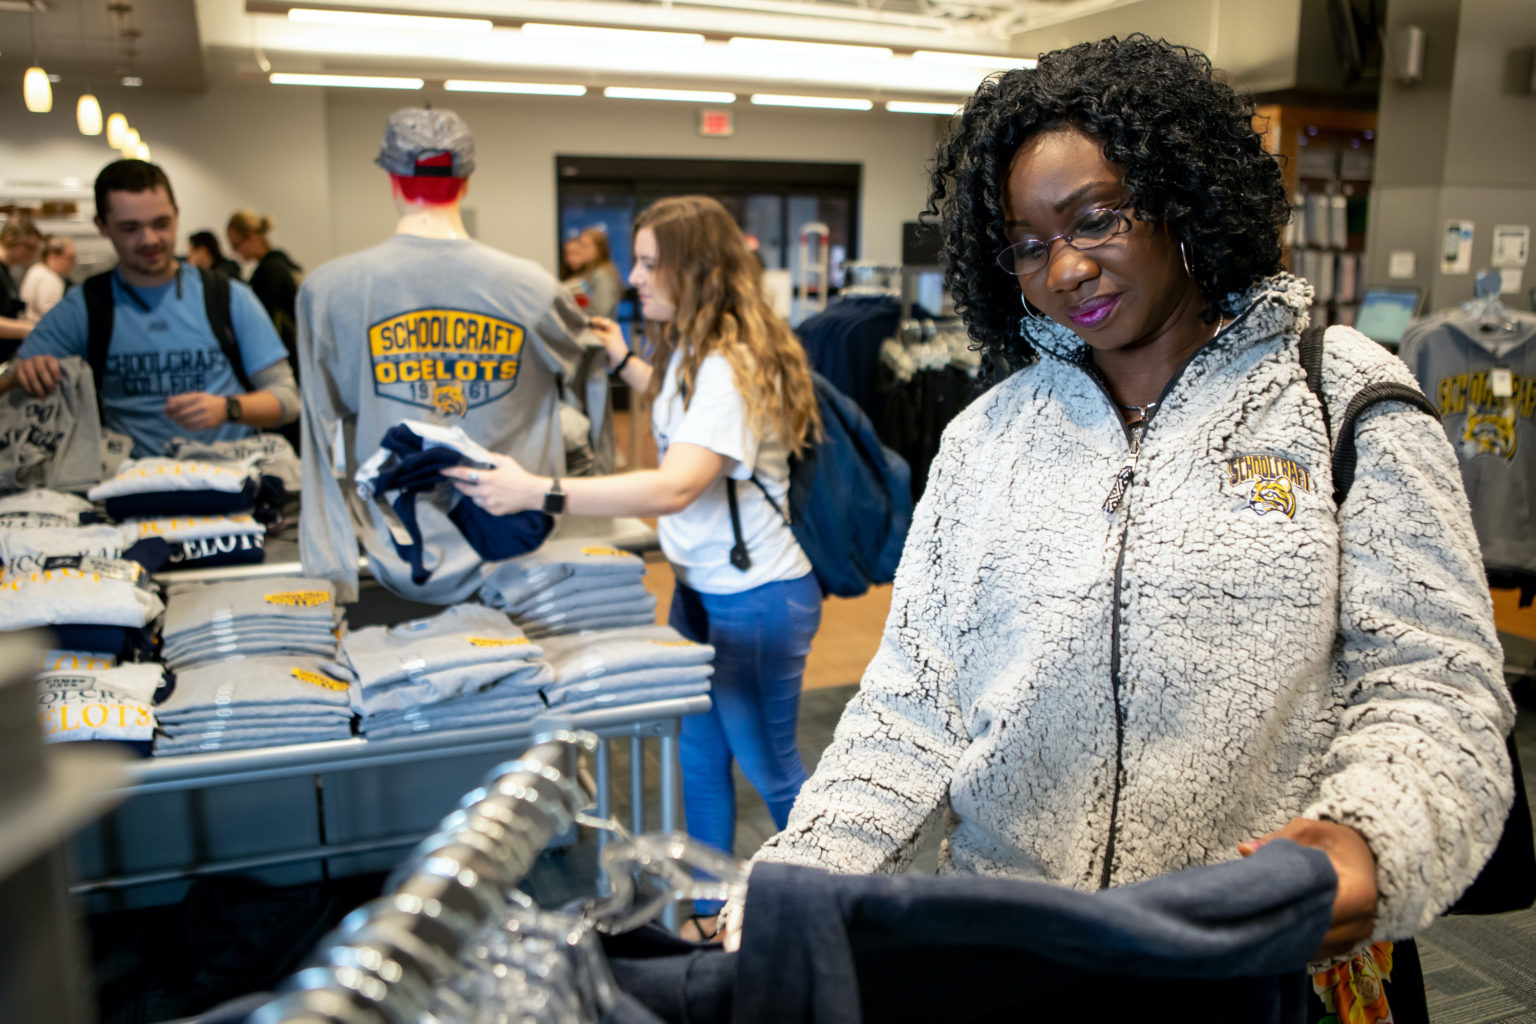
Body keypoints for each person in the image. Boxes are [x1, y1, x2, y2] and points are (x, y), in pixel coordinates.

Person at [716, 35, 1515, 1020]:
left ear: (1185, 197)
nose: (1065, 268)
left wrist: (1367, 840)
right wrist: (799, 879)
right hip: (1016, 960)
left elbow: (1435, 690)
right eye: (1028, 241)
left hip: (1259, 966)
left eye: (1097, 219)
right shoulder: (988, 437)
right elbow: (913, 706)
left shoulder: (1341, 402)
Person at [447, 195, 824, 934]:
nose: (635, 275)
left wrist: (539, 491)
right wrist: (624, 361)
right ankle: (712, 911)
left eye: (652, 262)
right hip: (705, 592)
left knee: (771, 766)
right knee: (699, 757)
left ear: (695, 270)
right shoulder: (690, 350)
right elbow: (678, 401)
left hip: (757, 599)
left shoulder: (727, 365)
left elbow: (678, 484)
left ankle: (834, 902)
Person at [297, 107, 611, 605]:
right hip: (523, 546)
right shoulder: (534, 288)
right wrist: (596, 509)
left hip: (392, 553)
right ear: (465, 181)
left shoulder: (329, 291)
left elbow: (315, 436)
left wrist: (328, 565)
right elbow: (593, 375)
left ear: (393, 180)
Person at [12, 159, 298, 457]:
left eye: (161, 224)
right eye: (130, 228)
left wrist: (228, 408)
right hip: (127, 488)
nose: (149, 239)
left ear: (176, 217)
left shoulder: (228, 296)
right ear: (102, 226)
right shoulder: (84, 306)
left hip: (230, 483)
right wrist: (27, 372)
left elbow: (287, 399)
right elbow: (13, 380)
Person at [227, 209, 302, 359]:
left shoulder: (268, 272)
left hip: (284, 357)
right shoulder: (283, 264)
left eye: (236, 245)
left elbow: (262, 325)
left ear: (253, 238)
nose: (235, 252)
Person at [560, 226, 623, 319]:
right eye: (581, 245)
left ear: (599, 249)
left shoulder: (603, 274)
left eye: (585, 246)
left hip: (600, 330)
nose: (581, 250)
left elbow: (602, 312)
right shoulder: (590, 272)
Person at [0, 212, 43, 346]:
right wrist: (28, 328)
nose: (32, 254)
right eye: (28, 247)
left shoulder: (7, 271)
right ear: (9, 238)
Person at [19, 235, 76, 322]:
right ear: (53, 256)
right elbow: (51, 314)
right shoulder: (50, 278)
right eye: (70, 258)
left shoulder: (37, 269)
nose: (73, 264)